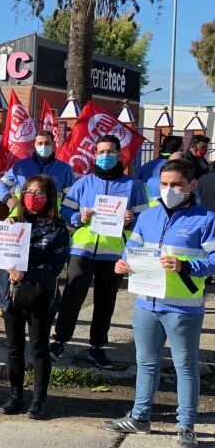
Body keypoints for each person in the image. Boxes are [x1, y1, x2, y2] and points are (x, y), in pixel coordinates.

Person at [103, 159, 215, 448]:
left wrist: (186, 266)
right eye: (164, 184)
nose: (169, 190)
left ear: (192, 185)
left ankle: (186, 427)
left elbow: (214, 260)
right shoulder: (149, 217)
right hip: (145, 303)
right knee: (146, 363)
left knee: (186, 368)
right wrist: (123, 262)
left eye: (176, 184)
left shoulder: (206, 219)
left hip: (182, 308)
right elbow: (132, 247)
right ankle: (140, 417)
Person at [50, 134, 148, 369]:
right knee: (73, 296)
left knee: (106, 301)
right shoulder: (83, 183)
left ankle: (97, 347)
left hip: (114, 253)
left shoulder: (132, 185)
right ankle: (59, 341)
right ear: (95, 155)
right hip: (82, 250)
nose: (105, 156)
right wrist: (78, 217)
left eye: (110, 152)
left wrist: (131, 219)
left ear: (118, 154)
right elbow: (65, 210)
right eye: (101, 152)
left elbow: (145, 218)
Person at [0, 176, 71, 419]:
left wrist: (27, 273)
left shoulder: (58, 229)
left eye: (38, 193)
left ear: (49, 196)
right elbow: (1, 260)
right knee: (13, 347)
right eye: (28, 191)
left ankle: (39, 399)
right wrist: (6, 230)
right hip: (12, 296)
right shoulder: (14, 222)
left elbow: (55, 266)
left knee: (39, 348)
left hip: (40, 296)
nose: (32, 196)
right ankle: (16, 395)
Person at [0, 129, 76, 209]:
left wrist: (67, 216)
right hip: (22, 216)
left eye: (47, 143)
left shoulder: (64, 169)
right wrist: (8, 199)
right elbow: (2, 184)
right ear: (34, 144)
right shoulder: (21, 166)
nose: (43, 146)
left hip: (52, 217)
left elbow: (71, 197)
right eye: (40, 143)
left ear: (53, 144)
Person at [137, 135, 184, 202]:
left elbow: (138, 186)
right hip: (169, 205)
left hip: (146, 205)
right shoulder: (177, 167)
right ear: (178, 150)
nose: (183, 151)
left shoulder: (146, 166)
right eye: (182, 149)